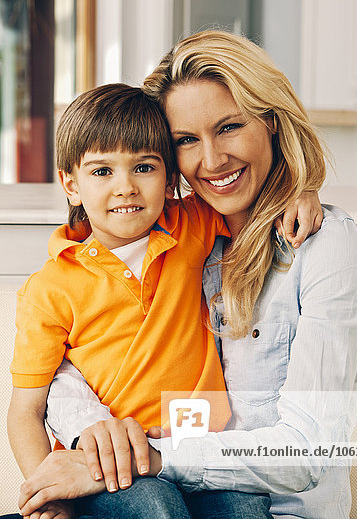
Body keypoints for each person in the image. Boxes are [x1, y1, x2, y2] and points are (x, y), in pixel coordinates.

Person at [16, 30, 357, 519]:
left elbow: (305, 450)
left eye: (229, 127)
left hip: (273, 508)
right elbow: (69, 365)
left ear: (271, 121)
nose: (211, 160)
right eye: (186, 140)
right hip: (164, 491)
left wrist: (153, 460)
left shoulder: (323, 244)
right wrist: (93, 439)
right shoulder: (183, 233)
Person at [7, 84, 236, 519]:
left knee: (247, 509)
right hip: (109, 470)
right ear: (70, 185)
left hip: (199, 452)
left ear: (170, 180)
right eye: (101, 172)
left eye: (143, 167)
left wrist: (304, 191)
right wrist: (48, 491)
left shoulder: (193, 226)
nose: (125, 187)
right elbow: (25, 411)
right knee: (156, 507)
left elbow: (259, 198)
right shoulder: (48, 289)